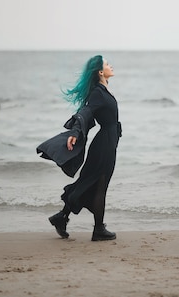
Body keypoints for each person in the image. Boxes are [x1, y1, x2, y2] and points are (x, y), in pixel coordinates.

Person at [44, 55, 121, 241]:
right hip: (104, 145)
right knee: (99, 185)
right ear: (101, 72)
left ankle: (62, 217)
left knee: (90, 182)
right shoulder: (98, 93)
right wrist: (75, 132)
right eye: (107, 64)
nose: (111, 65)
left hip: (108, 142)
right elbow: (85, 112)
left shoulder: (103, 90)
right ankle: (98, 230)